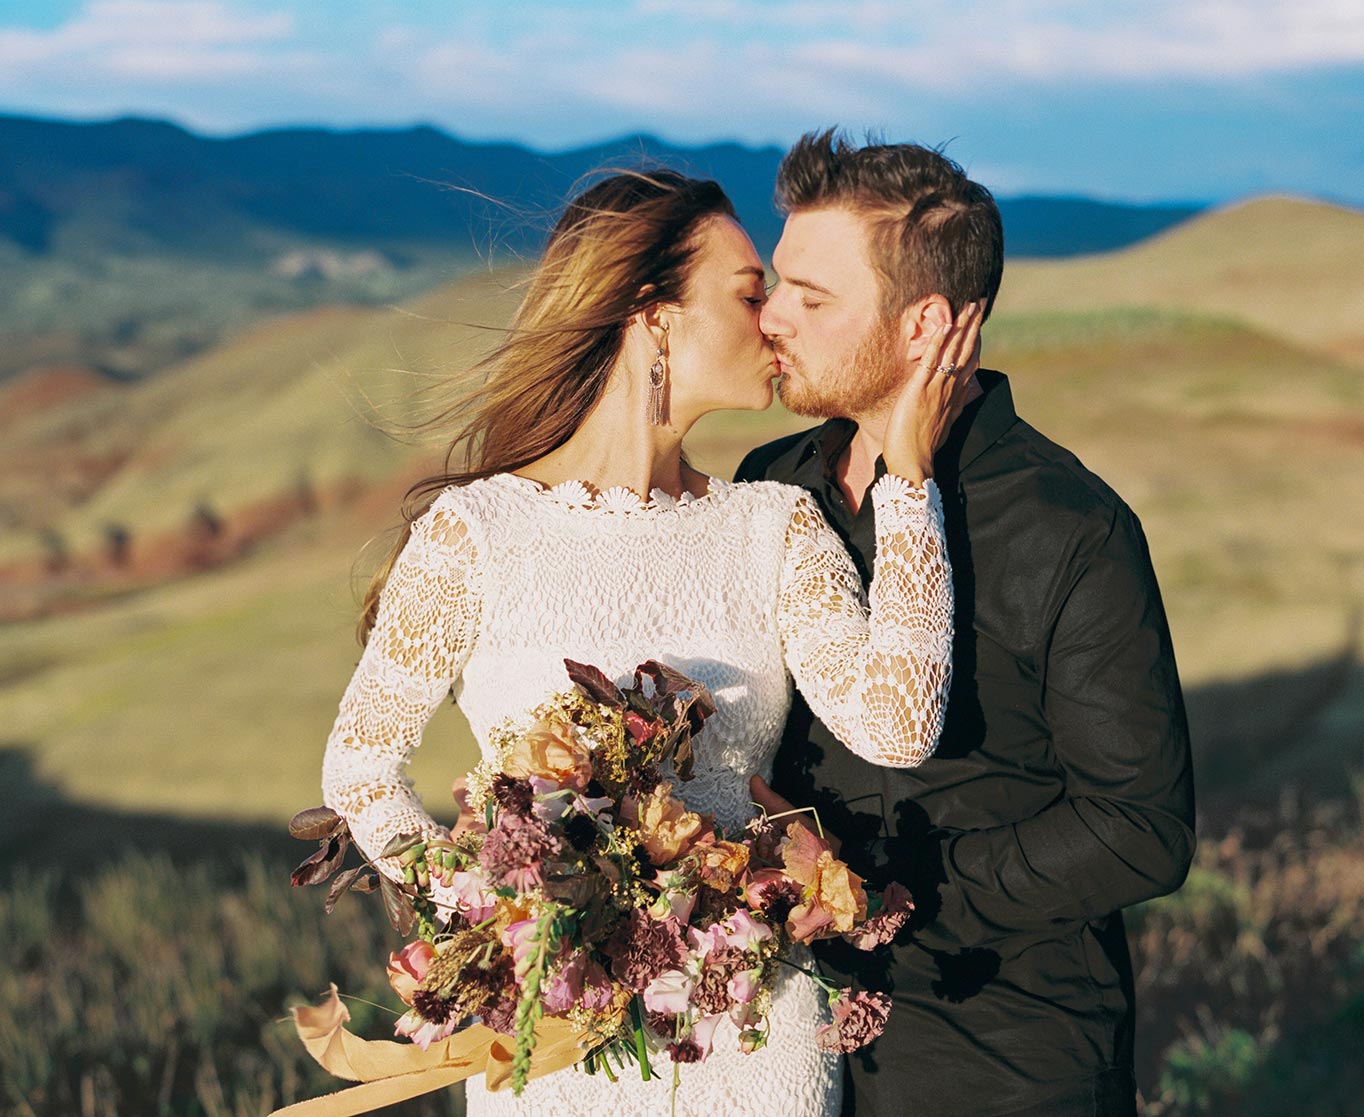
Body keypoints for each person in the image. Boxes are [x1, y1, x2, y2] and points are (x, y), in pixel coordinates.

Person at [319, 168, 983, 1117]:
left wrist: (909, 475)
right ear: (653, 313)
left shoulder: (776, 525)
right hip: (551, 1048)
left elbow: (899, 726)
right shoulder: (477, 535)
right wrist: (500, 923)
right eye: (752, 293)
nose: (776, 322)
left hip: (758, 1029)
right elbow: (360, 772)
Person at [737, 131, 1196, 1117]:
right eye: (777, 285)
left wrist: (900, 889)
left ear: (925, 324)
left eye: (811, 300)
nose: (771, 317)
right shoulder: (768, 486)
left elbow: (1141, 829)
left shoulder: (1069, 526)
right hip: (782, 1048)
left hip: (1000, 1058)